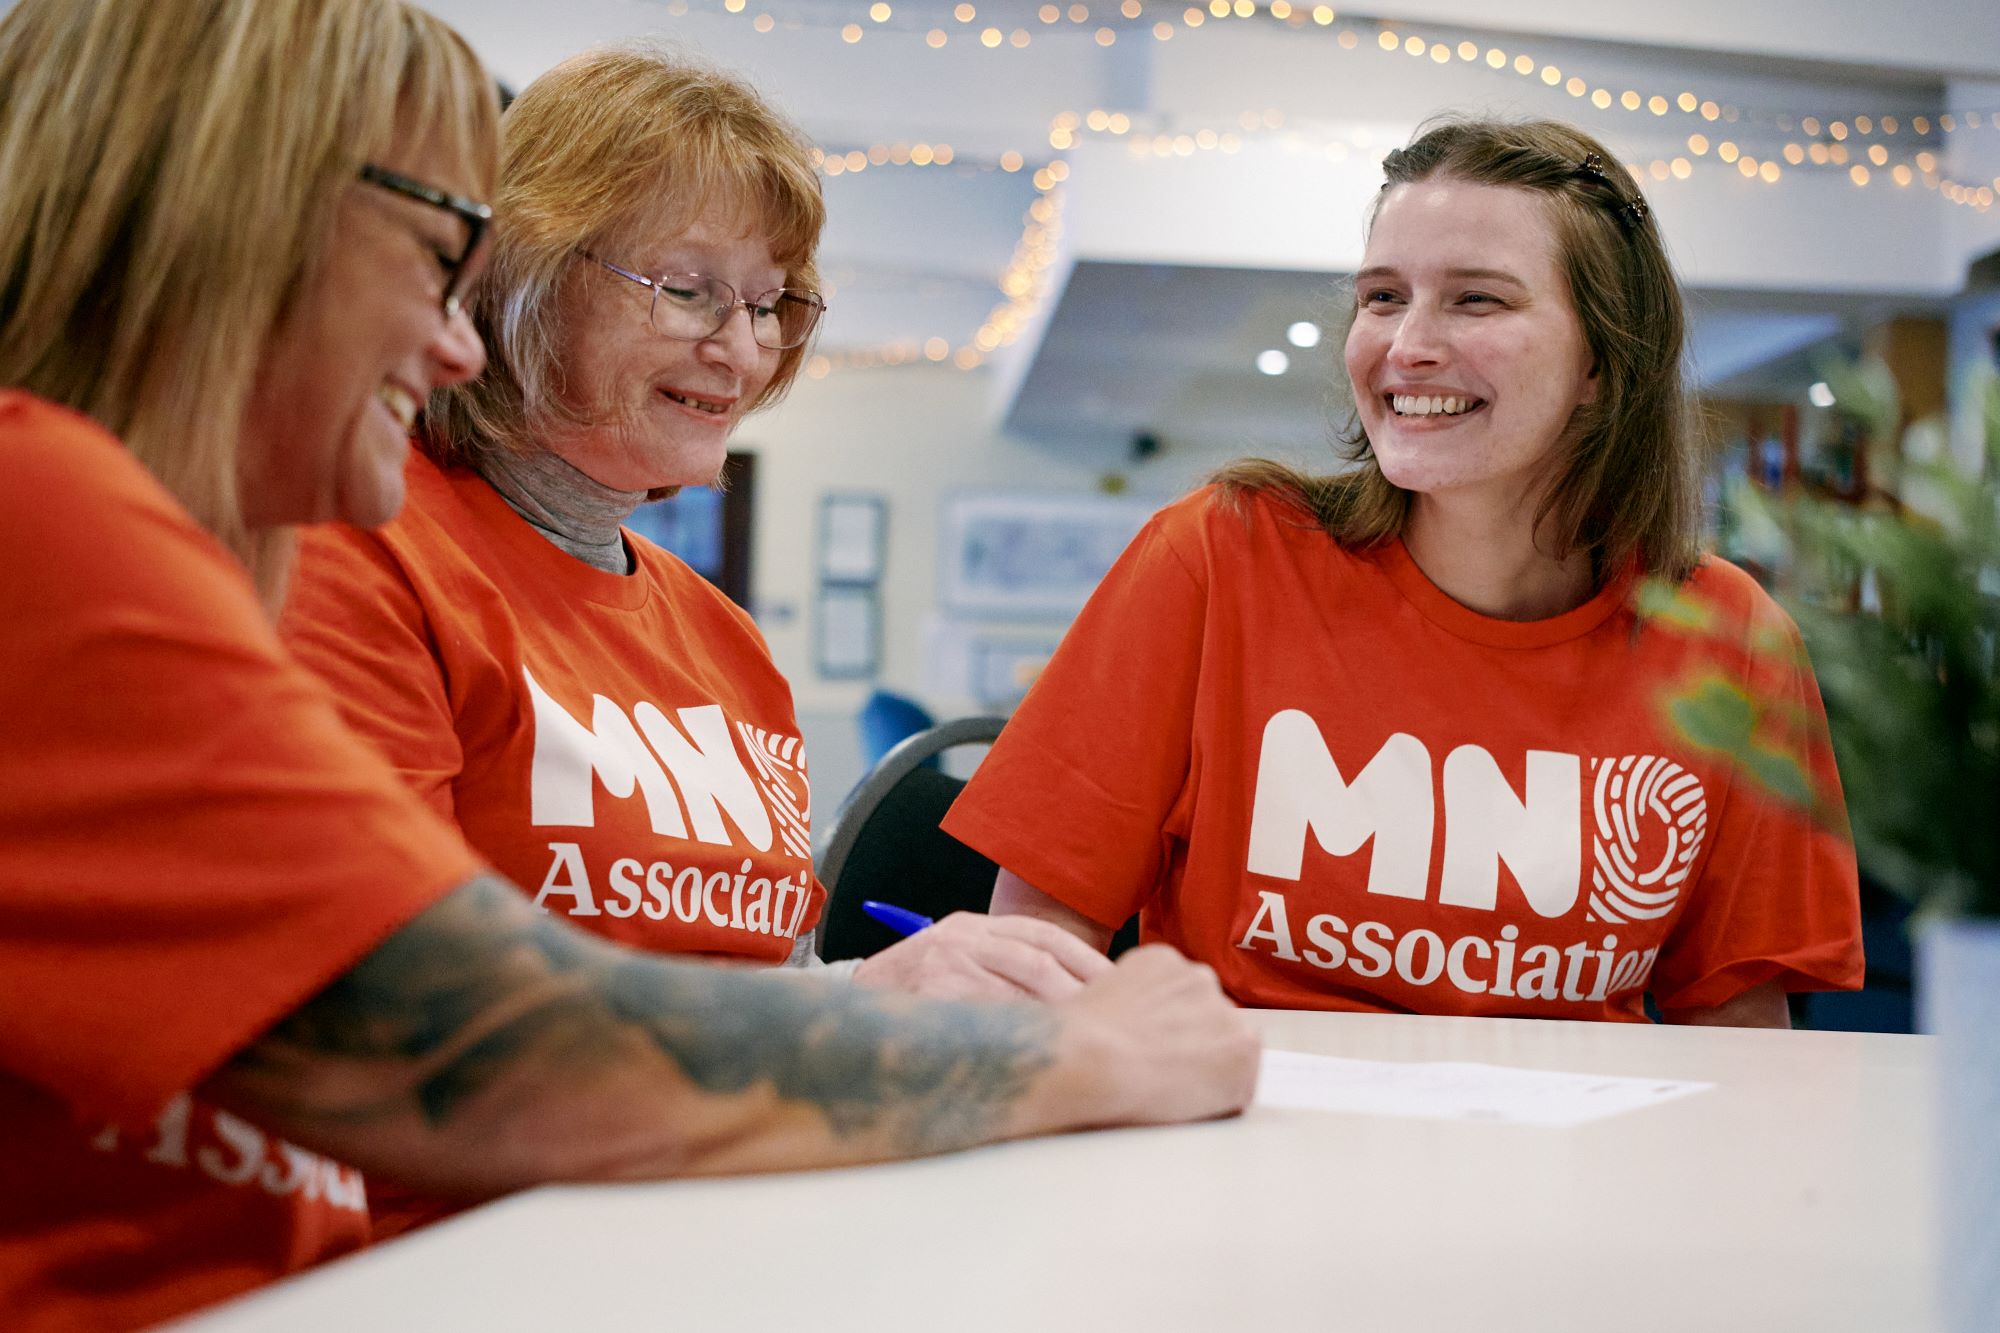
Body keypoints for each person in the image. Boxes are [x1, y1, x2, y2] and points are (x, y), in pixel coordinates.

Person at [0, 2, 1258, 1327]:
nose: (450, 339)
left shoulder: (111, 519)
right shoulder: (53, 513)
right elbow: (473, 1049)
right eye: (437, 256)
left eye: (768, 305)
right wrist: (1063, 1058)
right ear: (235, 223)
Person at [946, 118, 1864, 1028]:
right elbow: (1033, 960)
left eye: (1477, 300)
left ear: (1602, 362)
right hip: (1238, 1145)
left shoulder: (1728, 636)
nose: (1407, 345)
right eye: (1383, 296)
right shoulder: (1220, 555)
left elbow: (1741, 1031)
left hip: (1568, 1166)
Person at [279, 46, 1109, 1005]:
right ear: (520, 278)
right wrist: (856, 1003)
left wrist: (877, 989)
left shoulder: (727, 645)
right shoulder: (361, 550)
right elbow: (382, 996)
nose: (744, 349)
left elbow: (766, 974)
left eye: (768, 303)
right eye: (688, 289)